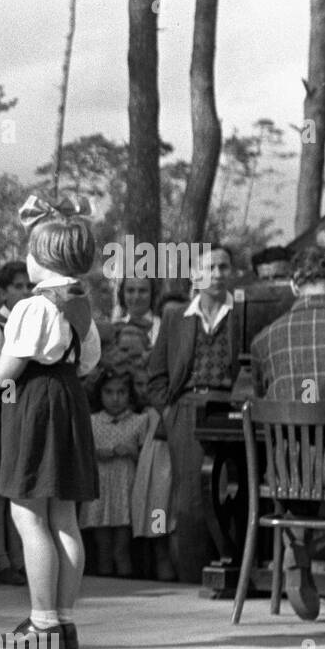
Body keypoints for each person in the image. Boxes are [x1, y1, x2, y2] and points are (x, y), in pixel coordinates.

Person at [0, 194, 102, 649]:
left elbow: (3, 374)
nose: (25, 260)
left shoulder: (32, 307)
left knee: (27, 514)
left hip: (35, 404)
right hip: (68, 402)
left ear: (45, 258)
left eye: (30, 251)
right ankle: (63, 621)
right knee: (64, 517)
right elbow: (86, 365)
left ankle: (42, 622)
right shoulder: (81, 304)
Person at [250, 246, 325, 618]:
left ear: (296, 285)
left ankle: (297, 556)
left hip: (288, 469)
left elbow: (261, 398)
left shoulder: (265, 338)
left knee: (301, 454)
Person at [146, 244, 239, 583]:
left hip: (232, 409)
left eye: (224, 267)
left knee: (234, 491)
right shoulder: (176, 317)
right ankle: (192, 578)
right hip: (186, 410)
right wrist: (171, 414)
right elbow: (155, 376)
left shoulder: (241, 313)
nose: (217, 274)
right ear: (194, 275)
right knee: (191, 498)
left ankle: (232, 572)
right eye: (209, 267)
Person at [80, 369, 150, 577]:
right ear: (100, 395)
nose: (115, 398)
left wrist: (132, 452)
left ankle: (125, 581)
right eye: (109, 392)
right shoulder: (92, 421)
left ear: (129, 395)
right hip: (101, 490)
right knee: (103, 547)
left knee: (121, 548)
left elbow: (149, 460)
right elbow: (82, 455)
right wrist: (96, 454)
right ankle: (106, 583)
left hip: (125, 489)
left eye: (121, 392)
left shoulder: (140, 421)